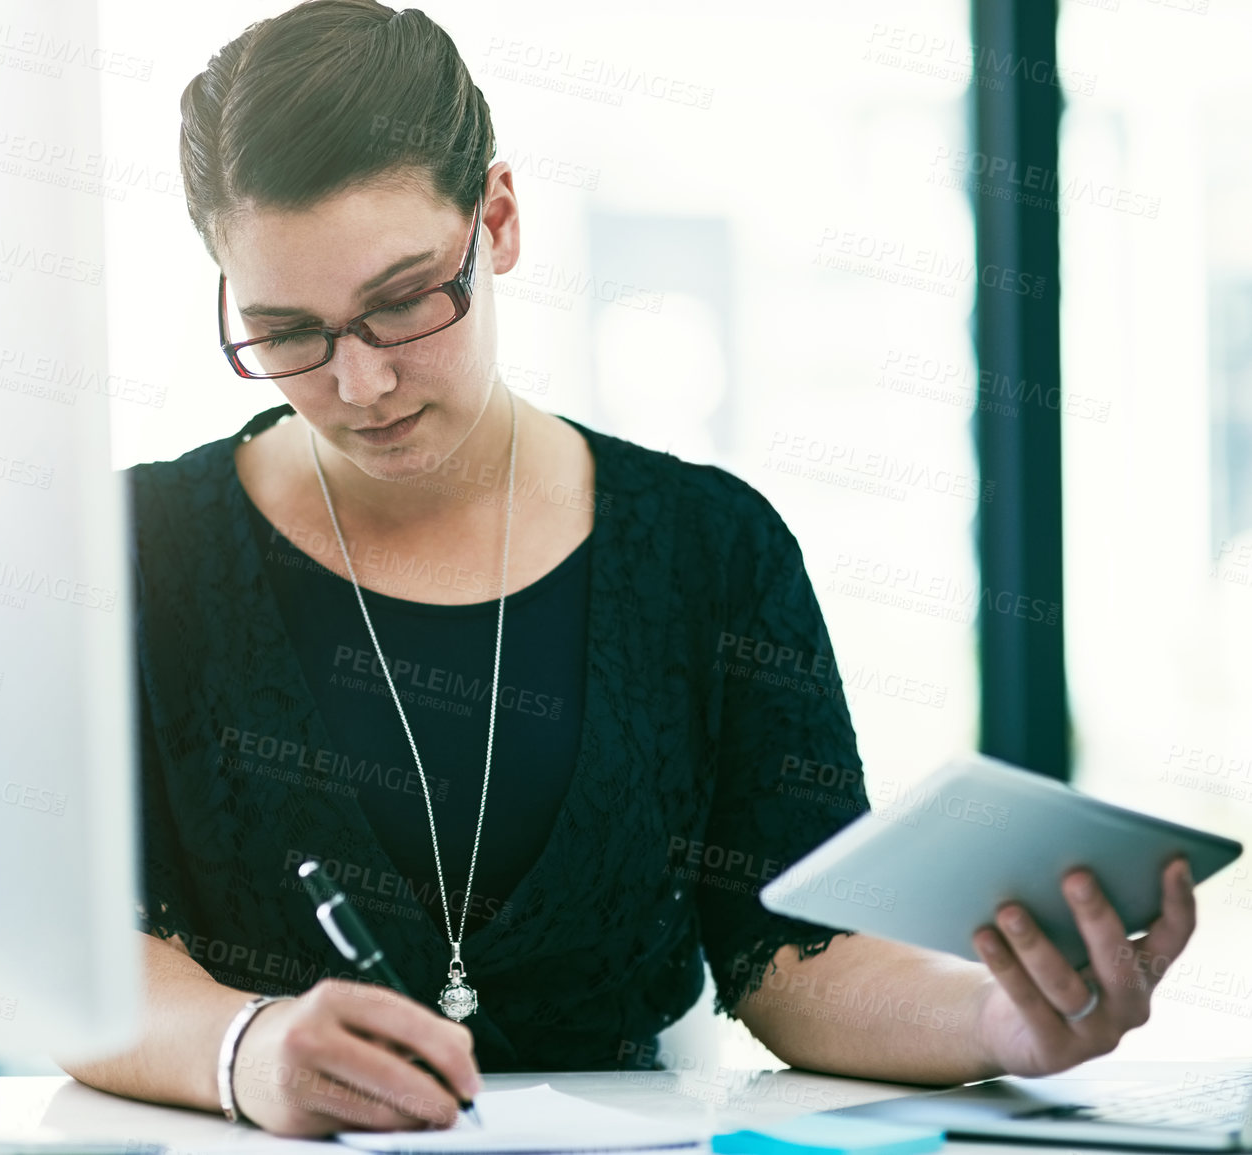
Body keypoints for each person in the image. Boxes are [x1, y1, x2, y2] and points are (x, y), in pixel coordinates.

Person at [60, 0, 1198, 1139]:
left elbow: (790, 957)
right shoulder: (141, 549)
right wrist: (241, 1050)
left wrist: (1001, 1024)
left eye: (403, 302)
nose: (360, 384)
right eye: (286, 332)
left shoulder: (709, 548)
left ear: (497, 221)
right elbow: (71, 945)